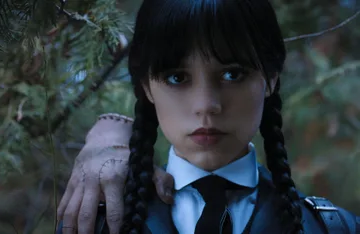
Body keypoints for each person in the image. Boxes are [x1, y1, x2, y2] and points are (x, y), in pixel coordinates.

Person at [57, 0, 360, 234]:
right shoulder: (95, 221)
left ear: (270, 79)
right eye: (177, 78)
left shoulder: (333, 228)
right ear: (146, 87)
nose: (206, 105)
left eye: (232, 74)